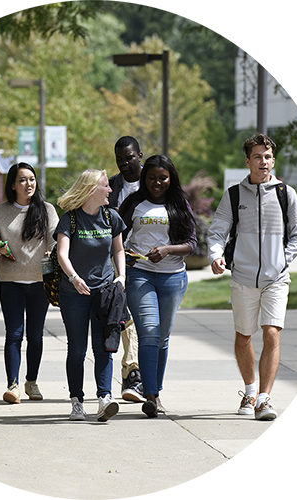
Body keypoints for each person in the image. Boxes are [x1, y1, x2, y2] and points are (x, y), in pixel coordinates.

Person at [207, 133, 297, 421]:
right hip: (242, 279)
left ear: (273, 160)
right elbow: (217, 231)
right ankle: (249, 391)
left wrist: (282, 261)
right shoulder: (234, 195)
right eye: (257, 156)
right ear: (247, 160)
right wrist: (216, 255)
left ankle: (264, 399)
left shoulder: (285, 194)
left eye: (267, 156)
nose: (263, 161)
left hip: (276, 279)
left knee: (271, 332)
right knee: (243, 337)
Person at [119, 154, 196, 418]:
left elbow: (192, 244)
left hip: (173, 277)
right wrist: (124, 253)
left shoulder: (179, 204)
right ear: (144, 178)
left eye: (162, 178)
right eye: (151, 177)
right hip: (140, 274)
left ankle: (156, 391)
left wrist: (167, 249)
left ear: (170, 178)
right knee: (149, 333)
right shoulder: (134, 203)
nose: (157, 182)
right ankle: (151, 396)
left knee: (162, 337)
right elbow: (116, 237)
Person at [0, 163, 59, 404]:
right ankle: (12, 385)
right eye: (23, 180)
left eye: (32, 179)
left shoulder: (47, 210)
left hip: (39, 283)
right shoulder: (0, 212)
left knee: (35, 335)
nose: (29, 184)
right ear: (13, 185)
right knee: (14, 334)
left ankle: (31, 382)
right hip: (11, 282)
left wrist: (53, 254)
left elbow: (57, 241)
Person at [55, 169, 126, 422]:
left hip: (104, 292)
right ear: (91, 190)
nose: (110, 190)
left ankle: (104, 399)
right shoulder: (70, 220)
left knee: (103, 348)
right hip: (73, 293)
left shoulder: (111, 217)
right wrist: (74, 278)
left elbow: (119, 249)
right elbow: (62, 254)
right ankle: (77, 401)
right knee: (77, 349)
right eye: (106, 186)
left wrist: (121, 276)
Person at [108, 136, 145, 403]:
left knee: (149, 322)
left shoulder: (154, 182)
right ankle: (132, 373)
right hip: (119, 261)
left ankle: (148, 378)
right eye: (119, 159)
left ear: (139, 155)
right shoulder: (109, 187)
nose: (124, 163)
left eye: (129, 158)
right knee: (126, 314)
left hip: (150, 262)